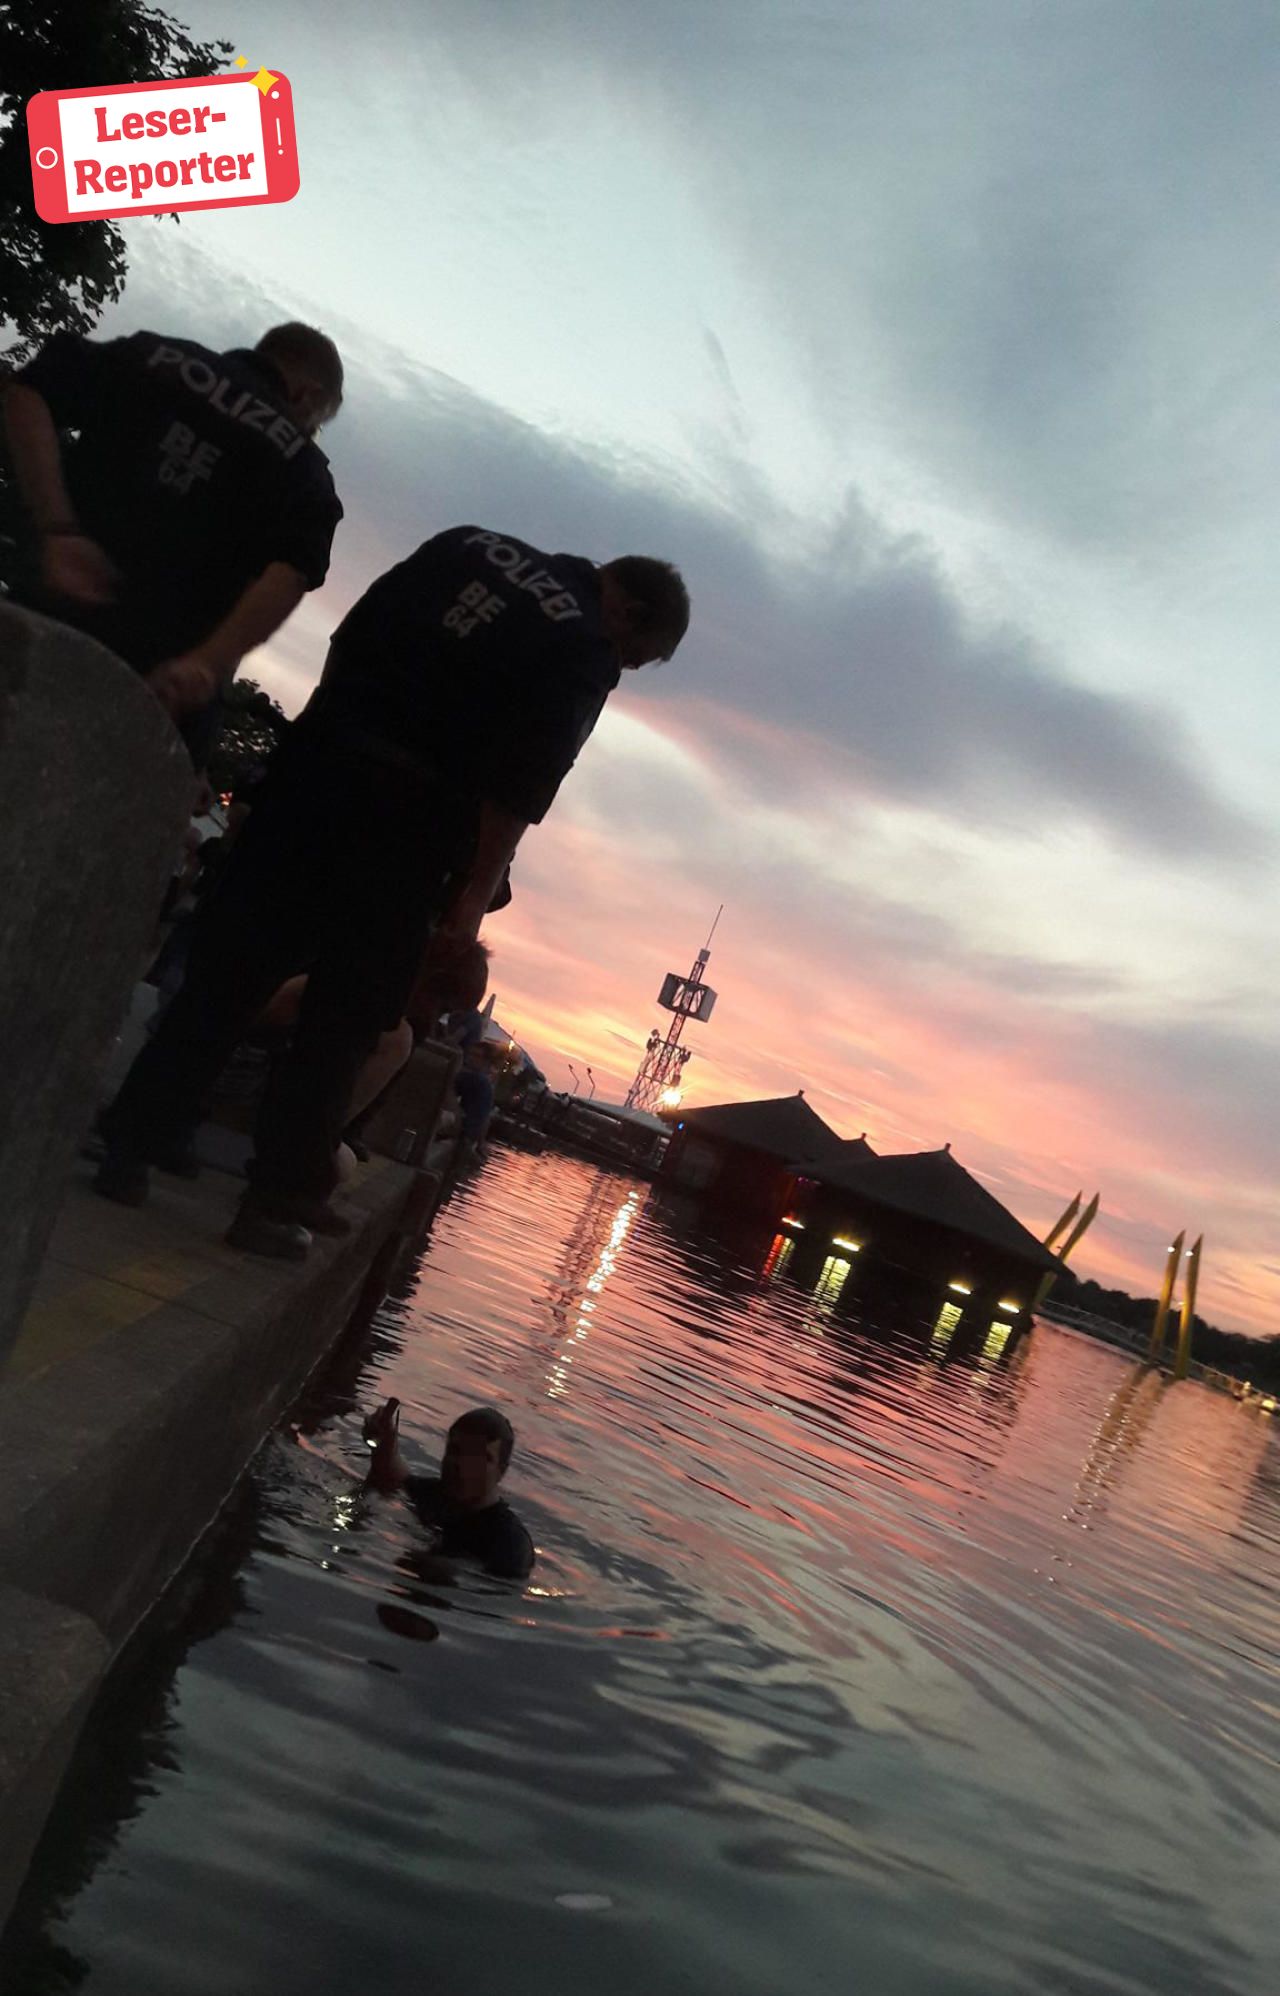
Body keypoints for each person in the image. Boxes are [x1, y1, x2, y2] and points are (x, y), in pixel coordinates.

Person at [94, 525, 691, 1258]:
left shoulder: (468, 545)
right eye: (636, 655)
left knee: (228, 971)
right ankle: (276, 1199)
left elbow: (351, 635)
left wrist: (323, 735)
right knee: (343, 1020)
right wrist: (471, 898)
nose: (624, 666)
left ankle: (131, 1142)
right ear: (628, 611)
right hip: (407, 830)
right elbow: (520, 787)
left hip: (314, 775)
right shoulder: (583, 646)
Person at [2, 321, 344, 760]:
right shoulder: (302, 468)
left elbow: (29, 392)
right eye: (320, 420)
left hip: (32, 627)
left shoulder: (155, 356)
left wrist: (57, 528)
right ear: (309, 395)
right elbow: (293, 571)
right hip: (138, 693)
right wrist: (207, 662)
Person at [362, 1399, 535, 1581]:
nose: (462, 1464)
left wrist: (445, 1568)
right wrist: (383, 1444)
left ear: (501, 1470)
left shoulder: (510, 1543)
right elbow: (392, 1477)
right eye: (456, 1450)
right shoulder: (433, 1495)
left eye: (477, 1458)